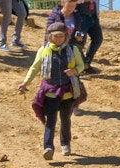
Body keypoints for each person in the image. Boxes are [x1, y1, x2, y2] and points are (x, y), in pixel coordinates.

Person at [20, 22, 84, 160]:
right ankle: (48, 147)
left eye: (61, 36)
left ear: (65, 37)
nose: (58, 39)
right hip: (50, 92)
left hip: (67, 91)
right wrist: (25, 83)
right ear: (50, 37)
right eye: (55, 36)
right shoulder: (44, 50)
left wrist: (74, 70)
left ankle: (65, 144)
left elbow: (81, 65)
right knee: (51, 120)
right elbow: (35, 67)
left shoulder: (73, 49)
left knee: (65, 119)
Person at [50, 0, 102, 72]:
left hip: (92, 12)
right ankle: (80, 65)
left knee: (98, 39)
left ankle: (86, 62)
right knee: (77, 41)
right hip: (79, 11)